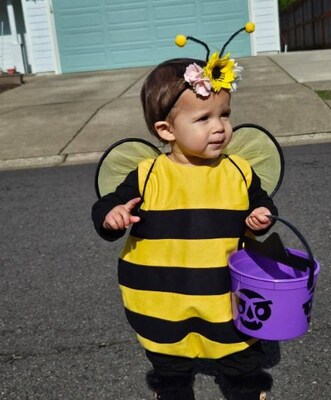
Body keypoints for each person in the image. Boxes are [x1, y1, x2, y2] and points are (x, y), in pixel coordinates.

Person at [92, 33, 278, 400]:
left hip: (224, 292)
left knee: (239, 351)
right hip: (161, 295)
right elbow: (108, 205)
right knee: (168, 358)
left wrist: (262, 215)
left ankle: (245, 389)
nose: (220, 127)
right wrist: (111, 216)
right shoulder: (147, 174)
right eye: (204, 118)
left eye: (224, 114)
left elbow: (262, 201)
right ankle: (174, 389)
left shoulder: (238, 169)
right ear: (166, 130)